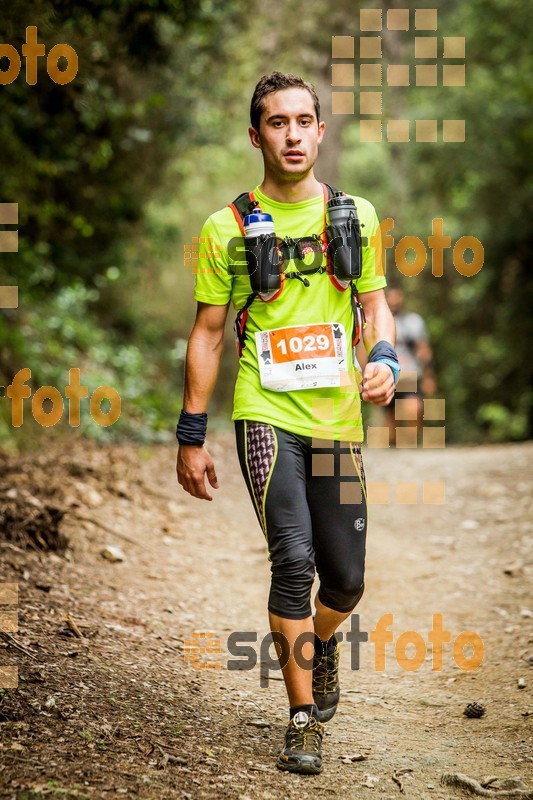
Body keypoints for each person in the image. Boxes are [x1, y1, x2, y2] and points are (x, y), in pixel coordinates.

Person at [176, 72, 399, 775]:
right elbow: (209, 333)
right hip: (265, 415)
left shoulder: (354, 215)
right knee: (293, 562)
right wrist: (190, 434)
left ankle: (321, 643)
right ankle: (302, 719)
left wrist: (385, 357)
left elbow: (373, 306)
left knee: (345, 582)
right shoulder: (226, 227)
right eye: (277, 123)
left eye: (304, 121)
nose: (293, 134)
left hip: (336, 421)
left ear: (321, 131)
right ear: (255, 135)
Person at [384, 286, 436, 445]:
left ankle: (412, 443)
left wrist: (429, 376)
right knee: (391, 423)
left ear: (402, 299)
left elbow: (424, 350)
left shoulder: (413, 321)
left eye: (396, 297)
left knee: (414, 408)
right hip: (388, 374)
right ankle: (395, 446)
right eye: (390, 298)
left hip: (410, 374)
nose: (393, 301)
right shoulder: (380, 321)